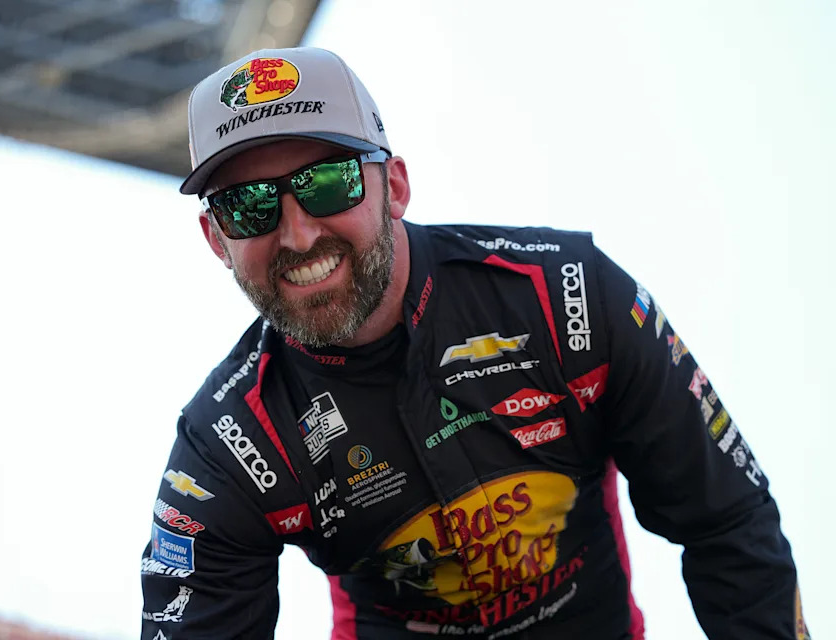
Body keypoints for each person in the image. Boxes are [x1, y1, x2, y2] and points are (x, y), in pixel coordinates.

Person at [139, 46, 809, 640]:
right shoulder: (227, 443)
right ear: (216, 240)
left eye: (328, 183)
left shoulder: (567, 296)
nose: (298, 234)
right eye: (249, 206)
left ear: (394, 186)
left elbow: (727, 521)